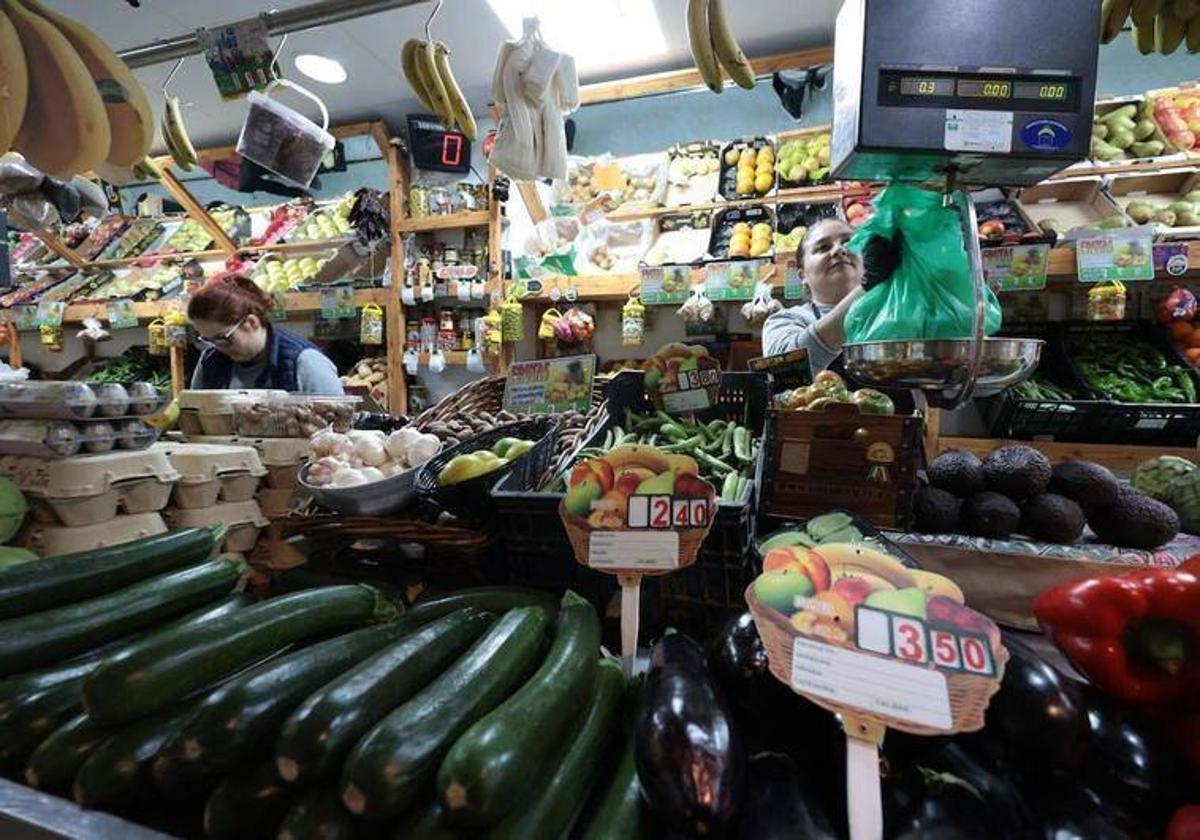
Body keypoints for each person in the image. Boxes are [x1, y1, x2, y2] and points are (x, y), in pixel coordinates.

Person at [761, 218, 900, 376]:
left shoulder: (896, 312)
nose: (839, 250)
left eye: (849, 242)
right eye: (823, 247)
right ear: (802, 275)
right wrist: (868, 284)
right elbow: (783, 372)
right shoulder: (786, 320)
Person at [188, 272, 344, 394]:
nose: (218, 348)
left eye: (222, 339)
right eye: (208, 340)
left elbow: (337, 424)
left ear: (251, 323)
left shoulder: (305, 362)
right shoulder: (210, 360)